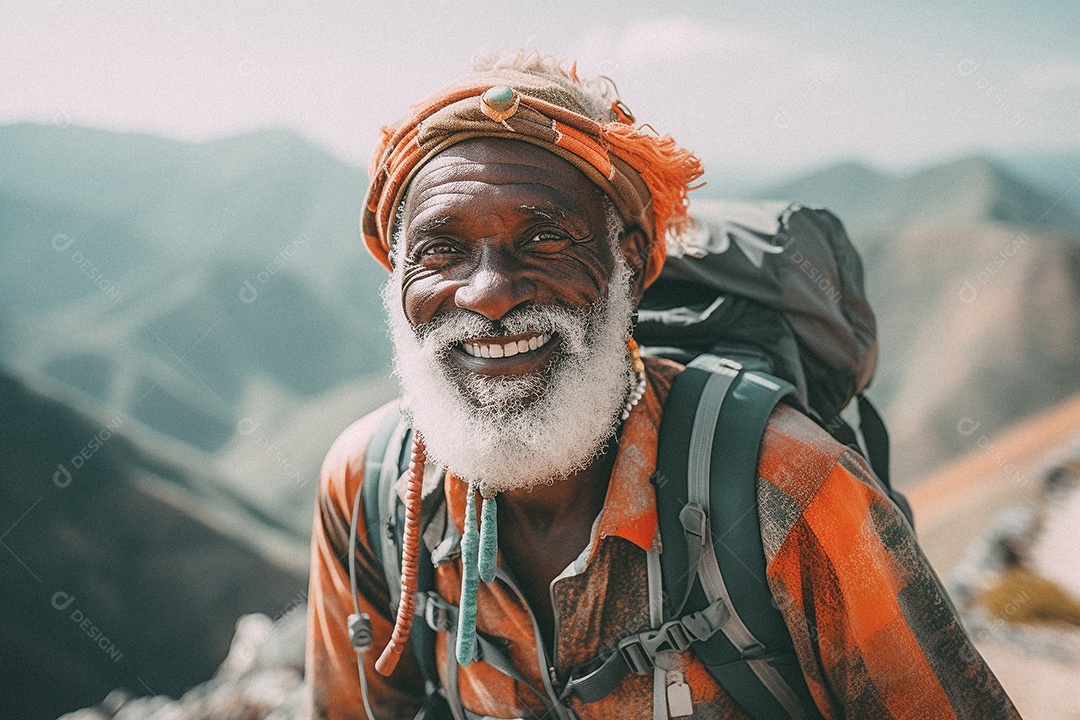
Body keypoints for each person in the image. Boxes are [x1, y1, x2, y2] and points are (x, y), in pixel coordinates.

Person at [305, 51, 1019, 719]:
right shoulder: (370, 486)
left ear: (632, 263)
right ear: (397, 280)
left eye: (546, 238)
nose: (488, 292)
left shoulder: (794, 489)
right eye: (441, 250)